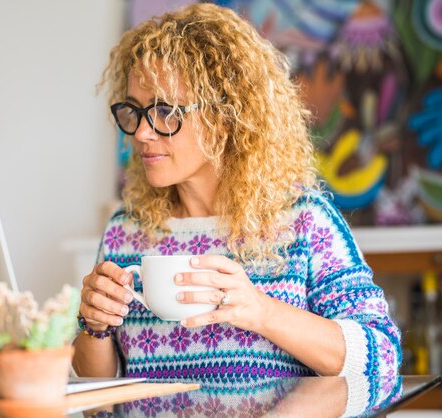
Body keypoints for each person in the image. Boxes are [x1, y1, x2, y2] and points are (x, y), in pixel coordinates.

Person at [72, 3, 401, 386]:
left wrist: (260, 311)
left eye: (164, 110)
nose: (141, 133)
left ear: (226, 117)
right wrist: (94, 325)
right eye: (134, 110)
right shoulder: (125, 232)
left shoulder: (304, 222)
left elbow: (382, 355)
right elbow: (100, 391)